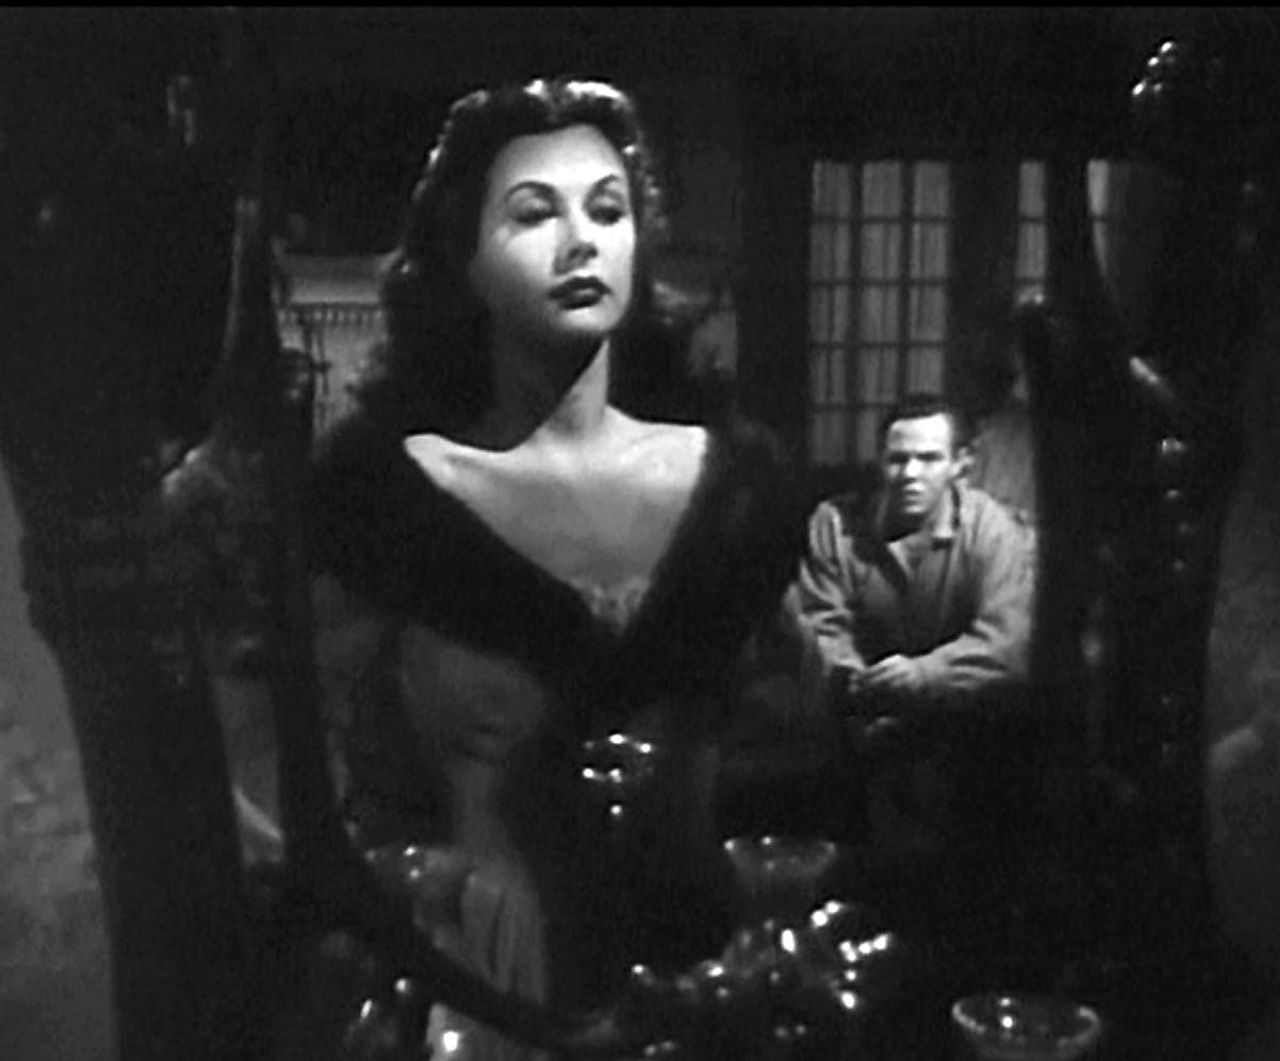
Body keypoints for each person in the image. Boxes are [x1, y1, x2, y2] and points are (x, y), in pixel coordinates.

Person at [305, 77, 804, 1057]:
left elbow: (787, 728)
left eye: (606, 210)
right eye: (534, 214)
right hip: (492, 988)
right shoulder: (384, 498)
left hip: (695, 979)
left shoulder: (737, 489)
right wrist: (416, 882)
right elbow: (299, 771)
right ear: (464, 256)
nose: (581, 241)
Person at [788, 392, 1036, 956]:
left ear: (960, 465)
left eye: (928, 459)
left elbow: (1008, 643)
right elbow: (820, 626)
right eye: (898, 459)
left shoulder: (991, 531)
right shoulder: (836, 524)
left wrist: (921, 679)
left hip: (957, 730)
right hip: (855, 726)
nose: (910, 474)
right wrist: (859, 687)